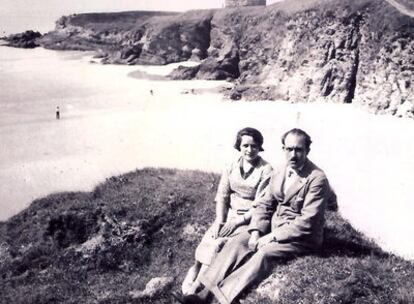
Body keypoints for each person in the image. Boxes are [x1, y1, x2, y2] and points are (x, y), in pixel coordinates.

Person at [176, 128, 332, 304]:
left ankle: (219, 299)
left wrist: (272, 237)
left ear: (307, 151)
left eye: (298, 150)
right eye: (289, 149)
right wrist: (257, 231)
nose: (293, 155)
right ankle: (202, 293)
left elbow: (308, 221)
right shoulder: (280, 172)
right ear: (283, 150)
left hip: (301, 239)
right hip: (272, 228)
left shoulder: (317, 179)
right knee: (238, 242)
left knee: (263, 254)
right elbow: (264, 204)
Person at [180, 127, 272, 296]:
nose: (249, 150)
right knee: (208, 240)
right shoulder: (231, 166)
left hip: (248, 219)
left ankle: (195, 290)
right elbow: (222, 196)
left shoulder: (266, 170)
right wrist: (219, 221)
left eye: (254, 146)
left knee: (218, 246)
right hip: (229, 216)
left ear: (260, 147)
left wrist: (237, 222)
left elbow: (261, 204)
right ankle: (190, 281)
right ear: (239, 146)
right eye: (245, 145)